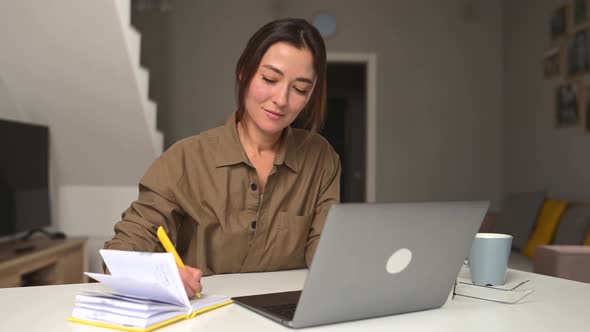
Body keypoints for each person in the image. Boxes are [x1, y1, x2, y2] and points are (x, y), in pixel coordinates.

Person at [104, 18, 341, 298]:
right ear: (244, 72)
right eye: (269, 79)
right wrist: (158, 275)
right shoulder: (185, 158)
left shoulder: (321, 158)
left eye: (300, 89)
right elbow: (119, 255)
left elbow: (327, 257)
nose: (281, 99)